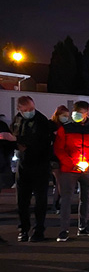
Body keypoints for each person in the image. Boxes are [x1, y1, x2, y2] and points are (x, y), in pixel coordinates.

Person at [53, 101, 89, 242]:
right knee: (66, 199)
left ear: (87, 113)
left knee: (86, 198)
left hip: (87, 169)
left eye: (80, 113)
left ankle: (83, 226)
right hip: (69, 169)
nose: (77, 115)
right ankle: (64, 230)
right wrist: (71, 164)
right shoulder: (65, 129)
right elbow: (59, 149)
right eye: (76, 113)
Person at [9, 96, 54, 242]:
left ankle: (38, 230)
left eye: (32, 108)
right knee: (22, 200)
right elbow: (14, 134)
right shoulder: (17, 119)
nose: (30, 112)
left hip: (40, 164)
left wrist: (18, 141)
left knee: (40, 200)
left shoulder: (41, 121)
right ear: (20, 109)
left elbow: (39, 141)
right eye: (26, 109)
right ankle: (23, 229)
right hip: (23, 164)